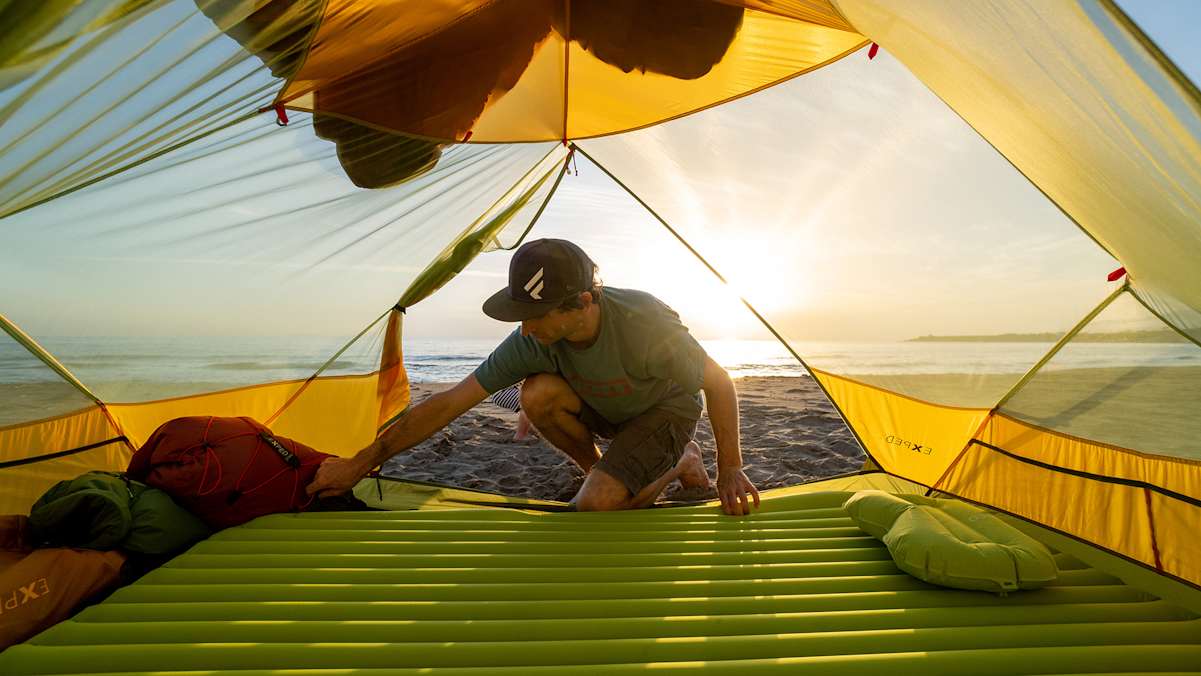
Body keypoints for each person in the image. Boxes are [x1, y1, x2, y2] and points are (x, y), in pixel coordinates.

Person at [307, 239, 760, 515]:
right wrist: (360, 462)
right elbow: (447, 403)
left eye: (534, 315)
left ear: (582, 303)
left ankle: (682, 459)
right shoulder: (532, 339)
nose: (524, 328)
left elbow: (717, 383)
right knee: (537, 394)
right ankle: (599, 472)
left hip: (664, 410)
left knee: (599, 507)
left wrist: (731, 469)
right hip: (607, 410)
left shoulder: (644, 322)